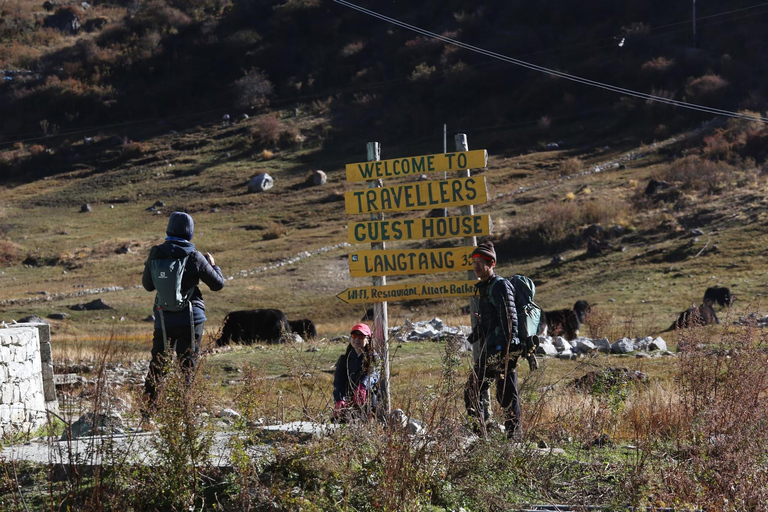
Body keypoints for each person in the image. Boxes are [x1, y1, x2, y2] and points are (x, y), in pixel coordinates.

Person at [142, 211, 224, 407]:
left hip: (164, 318)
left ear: (169, 228)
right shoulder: (194, 256)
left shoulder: (156, 253)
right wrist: (214, 265)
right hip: (191, 318)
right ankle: (185, 413)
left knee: (158, 366)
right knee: (187, 366)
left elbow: (148, 285)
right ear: (190, 232)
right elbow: (217, 284)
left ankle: (147, 414)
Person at [464, 240, 522, 440]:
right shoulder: (486, 288)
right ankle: (482, 434)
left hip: (503, 349)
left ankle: (511, 438)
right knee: (479, 389)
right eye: (474, 262)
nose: (476, 266)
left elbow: (510, 321)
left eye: (481, 262)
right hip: (494, 347)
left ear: (492, 264)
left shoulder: (500, 286)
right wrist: (469, 340)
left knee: (502, 393)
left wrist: (505, 351)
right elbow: (489, 323)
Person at [332, 323, 381, 421]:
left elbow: (374, 373)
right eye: (354, 335)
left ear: (368, 339)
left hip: (369, 400)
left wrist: (363, 386)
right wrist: (340, 399)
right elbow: (338, 381)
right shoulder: (344, 359)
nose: (357, 339)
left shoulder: (374, 358)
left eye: (361, 336)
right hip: (349, 400)